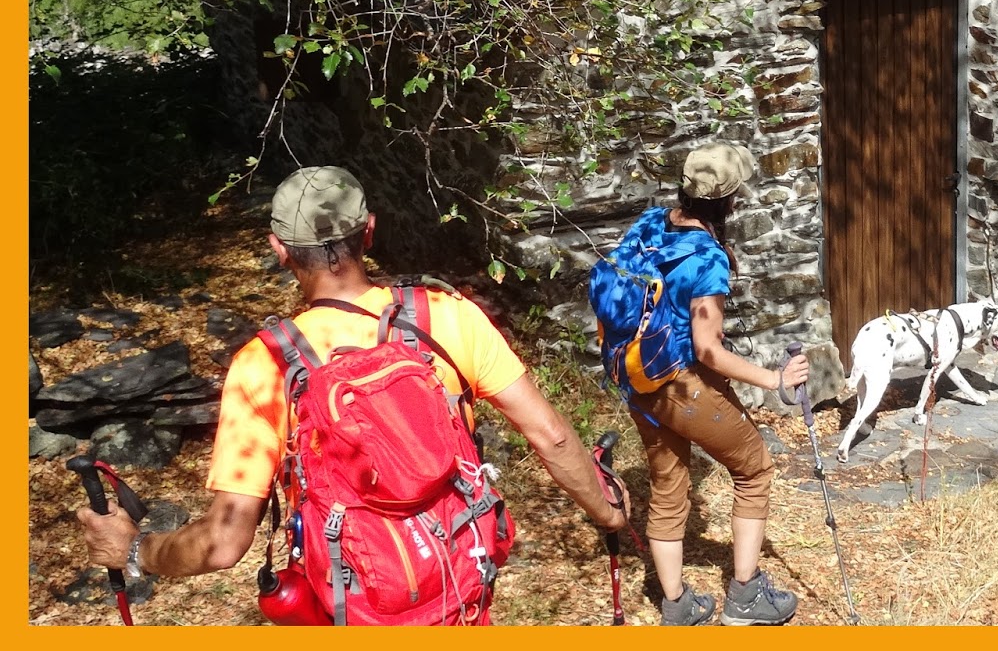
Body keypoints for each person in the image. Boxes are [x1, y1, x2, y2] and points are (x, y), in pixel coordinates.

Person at [77, 165, 628, 623]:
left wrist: (134, 550)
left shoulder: (264, 366)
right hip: (457, 577)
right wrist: (608, 513)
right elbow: (551, 436)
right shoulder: (447, 317)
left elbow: (223, 544)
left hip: (356, 598)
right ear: (369, 230)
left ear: (278, 249)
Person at [618, 141, 810, 626]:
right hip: (683, 385)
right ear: (731, 199)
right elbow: (708, 350)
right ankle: (745, 599)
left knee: (667, 489)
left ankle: (677, 606)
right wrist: (776, 379)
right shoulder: (707, 256)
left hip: (638, 380)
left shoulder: (649, 226)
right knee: (755, 470)